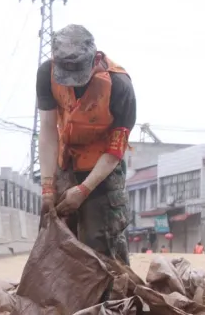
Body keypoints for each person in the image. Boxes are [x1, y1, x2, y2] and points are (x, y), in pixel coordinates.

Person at [36, 25, 135, 263]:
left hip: (103, 168)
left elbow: (115, 150)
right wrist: (48, 187)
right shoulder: (46, 73)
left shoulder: (120, 85)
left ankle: (110, 297)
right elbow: (49, 129)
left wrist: (83, 190)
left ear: (96, 59)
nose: (72, 84)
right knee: (58, 241)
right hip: (66, 161)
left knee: (100, 243)